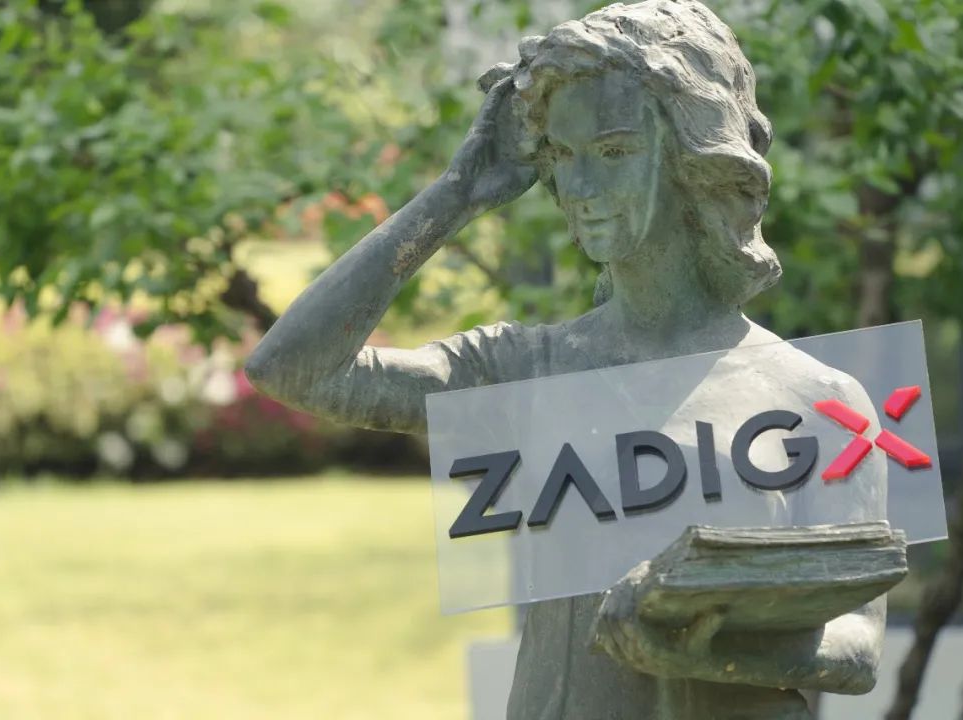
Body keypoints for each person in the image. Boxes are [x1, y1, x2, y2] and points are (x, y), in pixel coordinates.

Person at [247, 2, 888, 717]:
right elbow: (292, 370)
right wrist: (457, 194)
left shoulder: (818, 400)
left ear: (694, 157)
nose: (580, 189)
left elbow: (858, 645)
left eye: (613, 153)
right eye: (562, 154)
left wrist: (701, 649)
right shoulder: (524, 369)